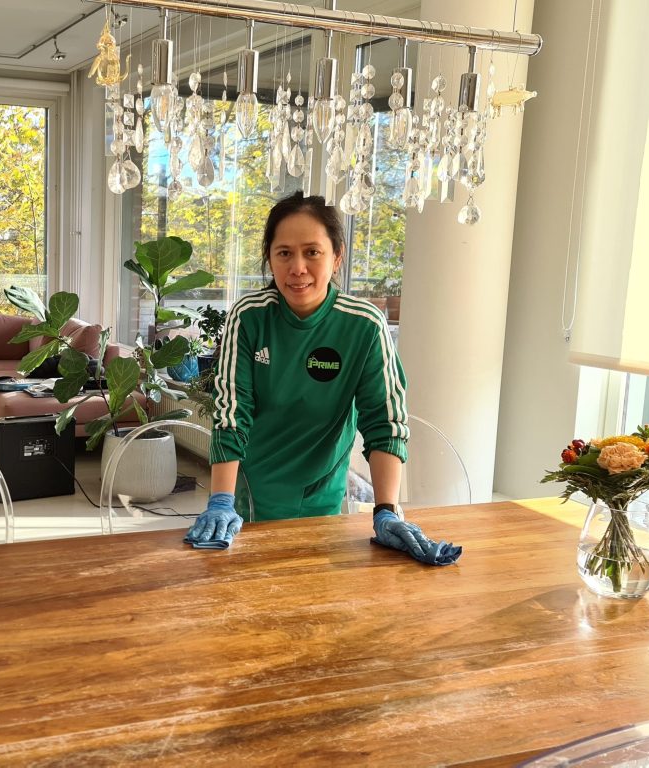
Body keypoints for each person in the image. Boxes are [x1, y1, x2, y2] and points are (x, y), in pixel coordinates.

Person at [184, 191, 461, 566]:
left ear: (337, 257)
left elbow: (385, 422)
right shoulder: (248, 317)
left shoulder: (363, 325)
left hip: (322, 496)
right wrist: (221, 501)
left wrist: (387, 510)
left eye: (312, 252)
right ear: (270, 259)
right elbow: (232, 413)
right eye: (284, 253)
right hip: (247, 494)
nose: (297, 267)